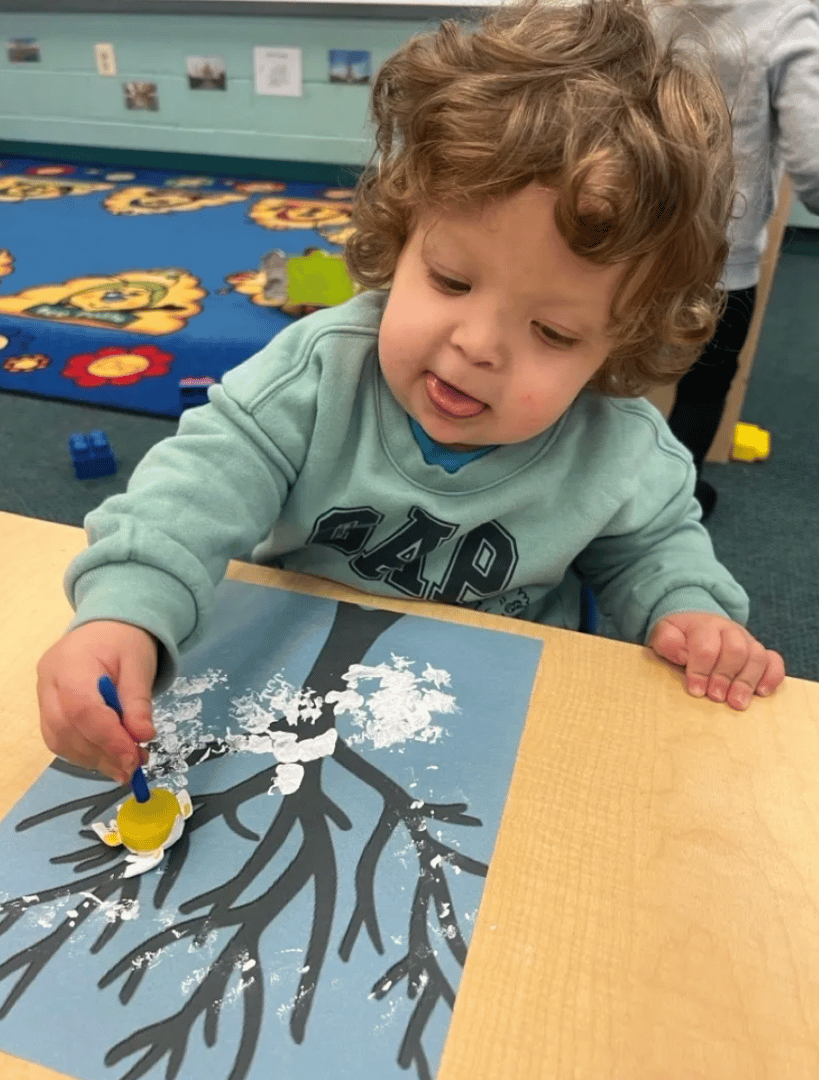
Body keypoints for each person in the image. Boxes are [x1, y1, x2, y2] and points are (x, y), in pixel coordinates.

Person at [36, 0, 785, 787]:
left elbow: (652, 550)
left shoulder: (619, 446)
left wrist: (688, 611)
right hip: (288, 693)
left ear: (619, 342)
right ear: (402, 236)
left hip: (490, 721)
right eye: (451, 281)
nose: (476, 346)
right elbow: (192, 492)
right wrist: (126, 611)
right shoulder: (319, 373)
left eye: (552, 332)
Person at [657, 0, 819, 518]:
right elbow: (814, 164)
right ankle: (670, 505)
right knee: (704, 385)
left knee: (593, 367)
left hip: (624, 230)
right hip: (720, 254)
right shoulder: (784, 15)